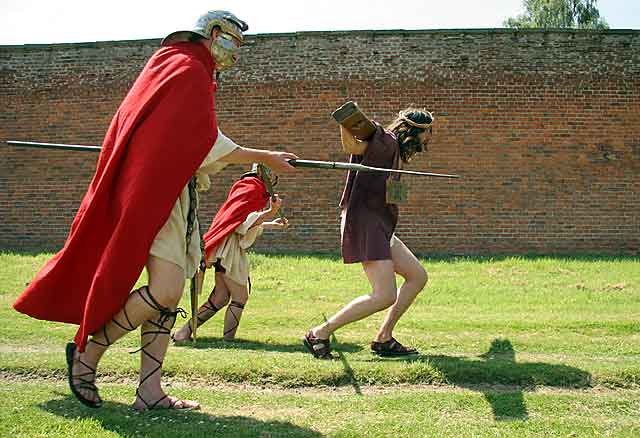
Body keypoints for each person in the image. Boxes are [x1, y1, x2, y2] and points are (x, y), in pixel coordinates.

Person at [13, 10, 297, 411]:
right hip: (157, 192)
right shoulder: (188, 68)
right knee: (165, 291)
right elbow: (204, 141)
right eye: (233, 40)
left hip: (167, 189)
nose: (235, 51)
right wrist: (264, 156)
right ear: (214, 34)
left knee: (168, 295)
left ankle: (149, 391)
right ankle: (88, 355)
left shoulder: (175, 64)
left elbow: (185, 141)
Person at [303, 107, 432, 359]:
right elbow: (352, 147)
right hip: (366, 223)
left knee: (417, 276)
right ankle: (319, 333)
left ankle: (383, 338)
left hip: (379, 223)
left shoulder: (394, 149)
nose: (429, 139)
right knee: (384, 295)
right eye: (428, 133)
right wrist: (345, 121)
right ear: (414, 131)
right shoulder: (386, 141)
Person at [172, 165, 289, 342]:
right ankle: (228, 340)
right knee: (240, 296)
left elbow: (241, 222)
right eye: (270, 171)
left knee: (220, 298)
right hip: (229, 249)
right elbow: (242, 223)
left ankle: (183, 333)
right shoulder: (251, 186)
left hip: (226, 247)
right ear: (259, 171)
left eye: (275, 173)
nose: (273, 176)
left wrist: (271, 222)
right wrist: (269, 212)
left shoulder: (256, 189)